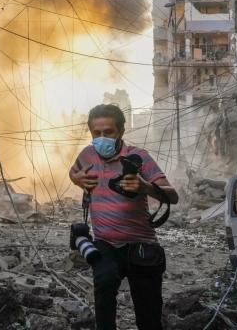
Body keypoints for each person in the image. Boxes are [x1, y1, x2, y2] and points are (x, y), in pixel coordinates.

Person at [69, 104, 179, 330]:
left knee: (149, 316)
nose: (101, 138)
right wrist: (77, 179)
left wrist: (144, 186)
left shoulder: (138, 157)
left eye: (108, 132)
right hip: (105, 244)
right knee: (103, 297)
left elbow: (172, 196)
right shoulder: (87, 155)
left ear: (120, 131)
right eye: (96, 133)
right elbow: (74, 172)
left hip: (141, 245)